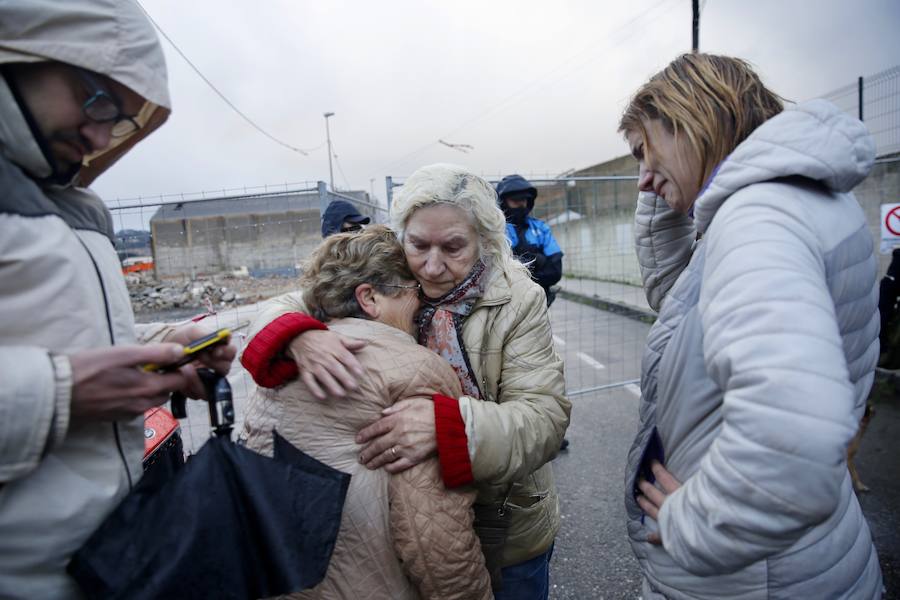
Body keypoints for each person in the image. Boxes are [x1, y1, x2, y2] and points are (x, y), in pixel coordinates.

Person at [619, 53, 882, 599]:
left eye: (645, 150)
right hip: (800, 560)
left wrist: (697, 521)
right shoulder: (797, 199)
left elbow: (795, 439)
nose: (642, 179)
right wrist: (674, 178)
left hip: (754, 576)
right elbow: (683, 312)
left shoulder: (756, 218)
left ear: (689, 122)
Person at [241, 164, 570, 599]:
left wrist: (448, 428)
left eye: (453, 247)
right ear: (402, 237)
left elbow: (544, 417)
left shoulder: (517, 299)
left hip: (506, 527)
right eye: (418, 245)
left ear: (485, 242)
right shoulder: (391, 275)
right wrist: (297, 335)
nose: (431, 267)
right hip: (414, 529)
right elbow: (287, 302)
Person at [0, 2, 235, 597]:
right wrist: (58, 394)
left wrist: (160, 346)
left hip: (104, 562)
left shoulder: (77, 206)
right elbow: (59, 374)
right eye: (97, 98)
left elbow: (52, 336)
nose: (102, 135)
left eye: (123, 119)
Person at [240, 226, 491, 600]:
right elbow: (435, 537)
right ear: (370, 298)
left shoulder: (283, 359)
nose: (423, 303)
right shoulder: (412, 370)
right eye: (413, 291)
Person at [496, 175, 564, 306]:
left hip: (539, 301)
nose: (521, 205)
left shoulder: (541, 228)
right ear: (503, 202)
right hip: (505, 303)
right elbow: (496, 273)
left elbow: (555, 272)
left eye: (524, 200)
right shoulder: (496, 230)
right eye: (515, 200)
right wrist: (537, 260)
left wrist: (519, 264)